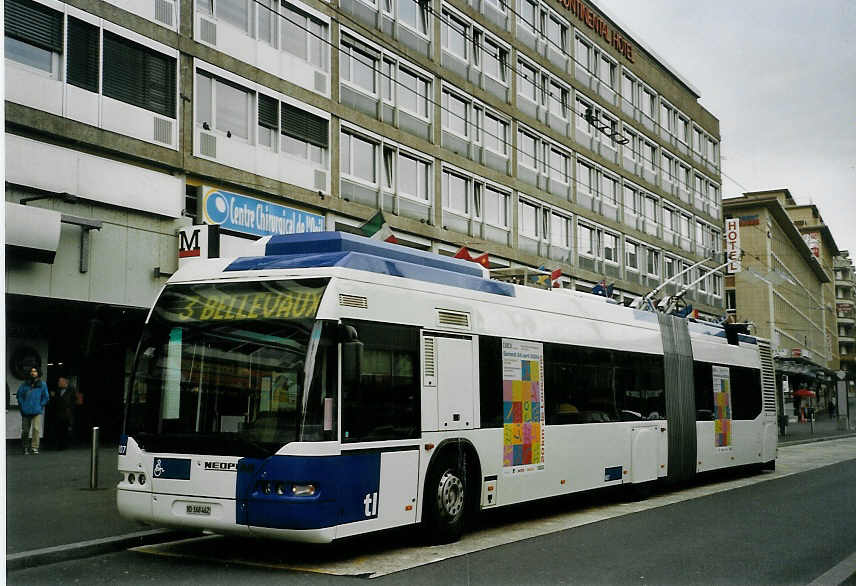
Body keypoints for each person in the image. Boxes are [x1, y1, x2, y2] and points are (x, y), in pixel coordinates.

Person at [17, 367, 50, 455]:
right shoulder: (24, 385)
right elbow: (19, 395)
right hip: (25, 411)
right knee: (25, 431)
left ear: (38, 373)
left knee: (36, 429)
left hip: (37, 410)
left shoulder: (42, 384)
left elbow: (46, 397)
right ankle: (25, 447)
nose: (33, 373)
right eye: (31, 371)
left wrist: (40, 405)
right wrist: (22, 406)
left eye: (35, 371)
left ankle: (34, 447)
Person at [51, 376, 75, 450]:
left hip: (66, 413)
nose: (58, 383)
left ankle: (64, 445)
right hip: (58, 413)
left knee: (65, 430)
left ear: (65, 382)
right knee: (58, 430)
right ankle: (59, 445)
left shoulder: (71, 390)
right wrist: (53, 397)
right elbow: (56, 402)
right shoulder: (58, 390)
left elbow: (71, 401)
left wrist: (70, 410)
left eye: (60, 382)